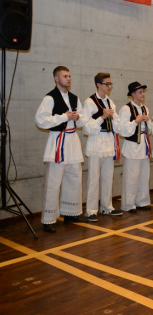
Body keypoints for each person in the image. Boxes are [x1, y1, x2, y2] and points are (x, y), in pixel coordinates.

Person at [35, 66, 87, 232]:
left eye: (70, 76)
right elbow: (41, 120)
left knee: (74, 177)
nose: (68, 79)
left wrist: (78, 117)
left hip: (72, 141)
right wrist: (64, 116)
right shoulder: (50, 98)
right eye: (65, 76)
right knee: (53, 182)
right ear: (56, 78)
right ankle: (48, 219)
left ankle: (70, 212)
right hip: (58, 140)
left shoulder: (74, 98)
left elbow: (83, 120)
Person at [82, 73, 122, 222]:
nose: (109, 86)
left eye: (110, 84)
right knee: (93, 177)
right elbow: (86, 128)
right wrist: (102, 117)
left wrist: (113, 119)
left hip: (108, 140)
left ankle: (107, 206)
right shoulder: (89, 102)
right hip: (96, 140)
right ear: (98, 84)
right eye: (106, 84)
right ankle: (91, 210)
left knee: (108, 176)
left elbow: (117, 126)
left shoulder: (111, 103)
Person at [119, 82, 152, 212]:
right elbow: (122, 130)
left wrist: (148, 122)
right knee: (131, 176)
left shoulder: (145, 108)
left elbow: (149, 131)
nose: (143, 94)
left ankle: (142, 201)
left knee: (144, 174)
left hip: (144, 143)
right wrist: (135, 122)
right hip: (132, 145)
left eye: (143, 92)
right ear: (133, 94)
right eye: (140, 92)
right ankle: (129, 204)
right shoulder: (126, 109)